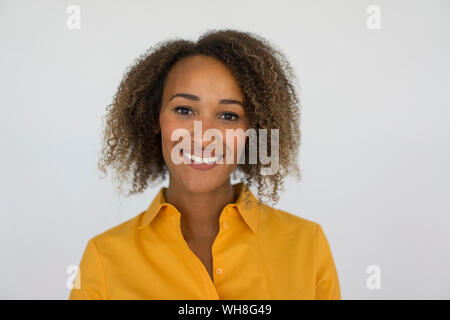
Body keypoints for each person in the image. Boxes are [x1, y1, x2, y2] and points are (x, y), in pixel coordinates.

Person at [69, 29, 341, 300]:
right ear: (154, 118)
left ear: (253, 131)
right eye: (185, 110)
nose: (203, 135)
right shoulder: (104, 258)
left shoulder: (307, 246)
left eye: (228, 115)